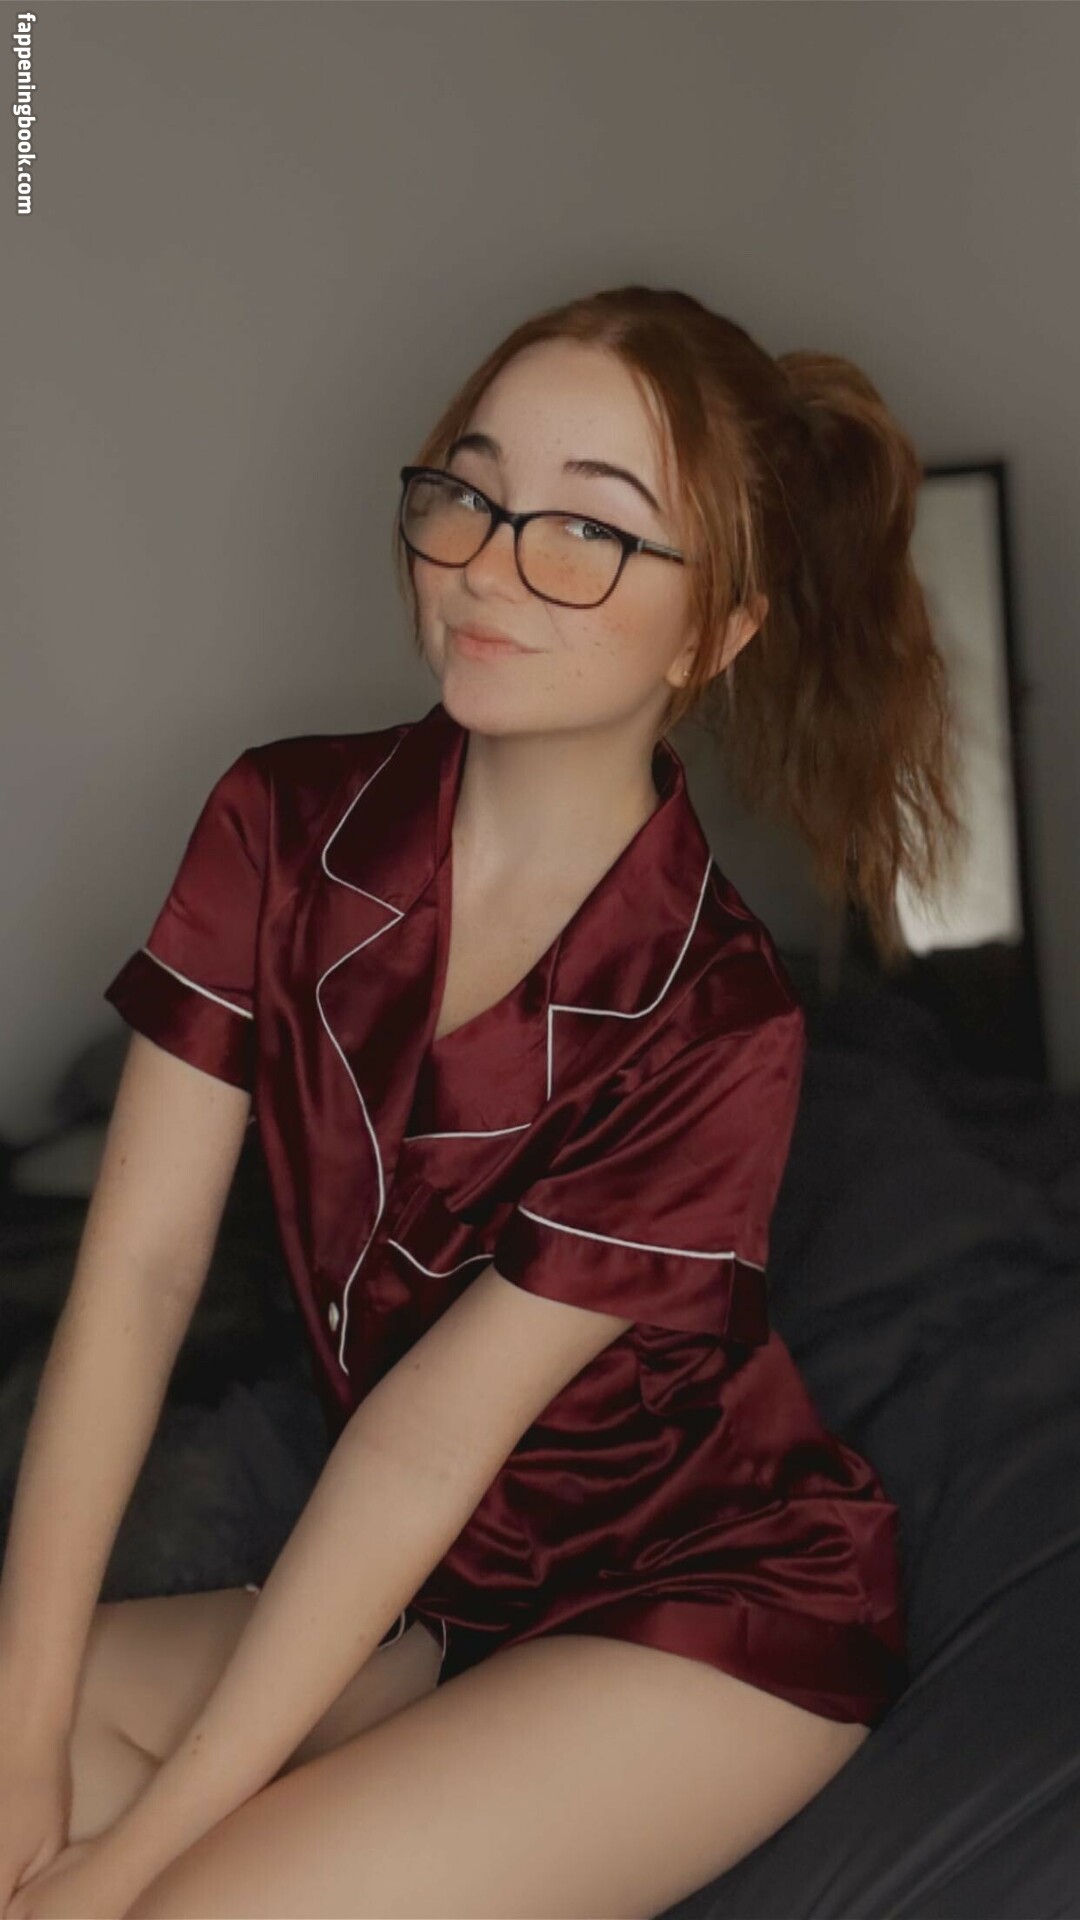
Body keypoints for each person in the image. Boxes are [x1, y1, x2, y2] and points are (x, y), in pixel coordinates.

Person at [0, 284, 964, 1920]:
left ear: (716, 633)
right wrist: (28, 1746)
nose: (491, 566)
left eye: (589, 527)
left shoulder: (720, 1016)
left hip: (695, 1598)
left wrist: (129, 1864)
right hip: (443, 1590)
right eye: (471, 490)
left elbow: (428, 1437)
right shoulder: (278, 822)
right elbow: (139, 1277)